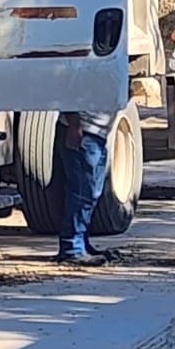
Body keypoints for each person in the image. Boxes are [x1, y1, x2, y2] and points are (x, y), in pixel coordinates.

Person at [56, 110, 115, 267]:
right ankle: (72, 249)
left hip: (97, 133)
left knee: (91, 193)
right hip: (83, 132)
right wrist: (74, 126)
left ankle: (81, 243)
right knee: (81, 194)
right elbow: (70, 92)